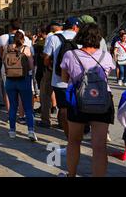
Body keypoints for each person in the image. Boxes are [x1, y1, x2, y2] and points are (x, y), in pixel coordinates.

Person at [61, 23, 115, 177]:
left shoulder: (70, 55)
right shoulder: (106, 56)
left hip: (78, 101)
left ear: (81, 37)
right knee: (99, 147)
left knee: (74, 141)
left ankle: (71, 175)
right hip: (103, 101)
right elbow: (107, 75)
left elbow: (65, 78)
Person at [43, 17, 80, 151]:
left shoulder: (54, 38)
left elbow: (46, 59)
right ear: (76, 27)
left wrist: (52, 67)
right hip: (79, 81)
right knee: (78, 110)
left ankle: (70, 140)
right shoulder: (81, 38)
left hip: (59, 81)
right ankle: (79, 137)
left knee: (63, 111)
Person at [3, 31, 37, 141]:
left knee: (13, 106)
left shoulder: (7, 48)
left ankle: (12, 130)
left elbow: (4, 62)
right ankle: (31, 131)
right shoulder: (26, 49)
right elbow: (31, 66)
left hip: (10, 80)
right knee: (28, 107)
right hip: (23, 80)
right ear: (23, 39)